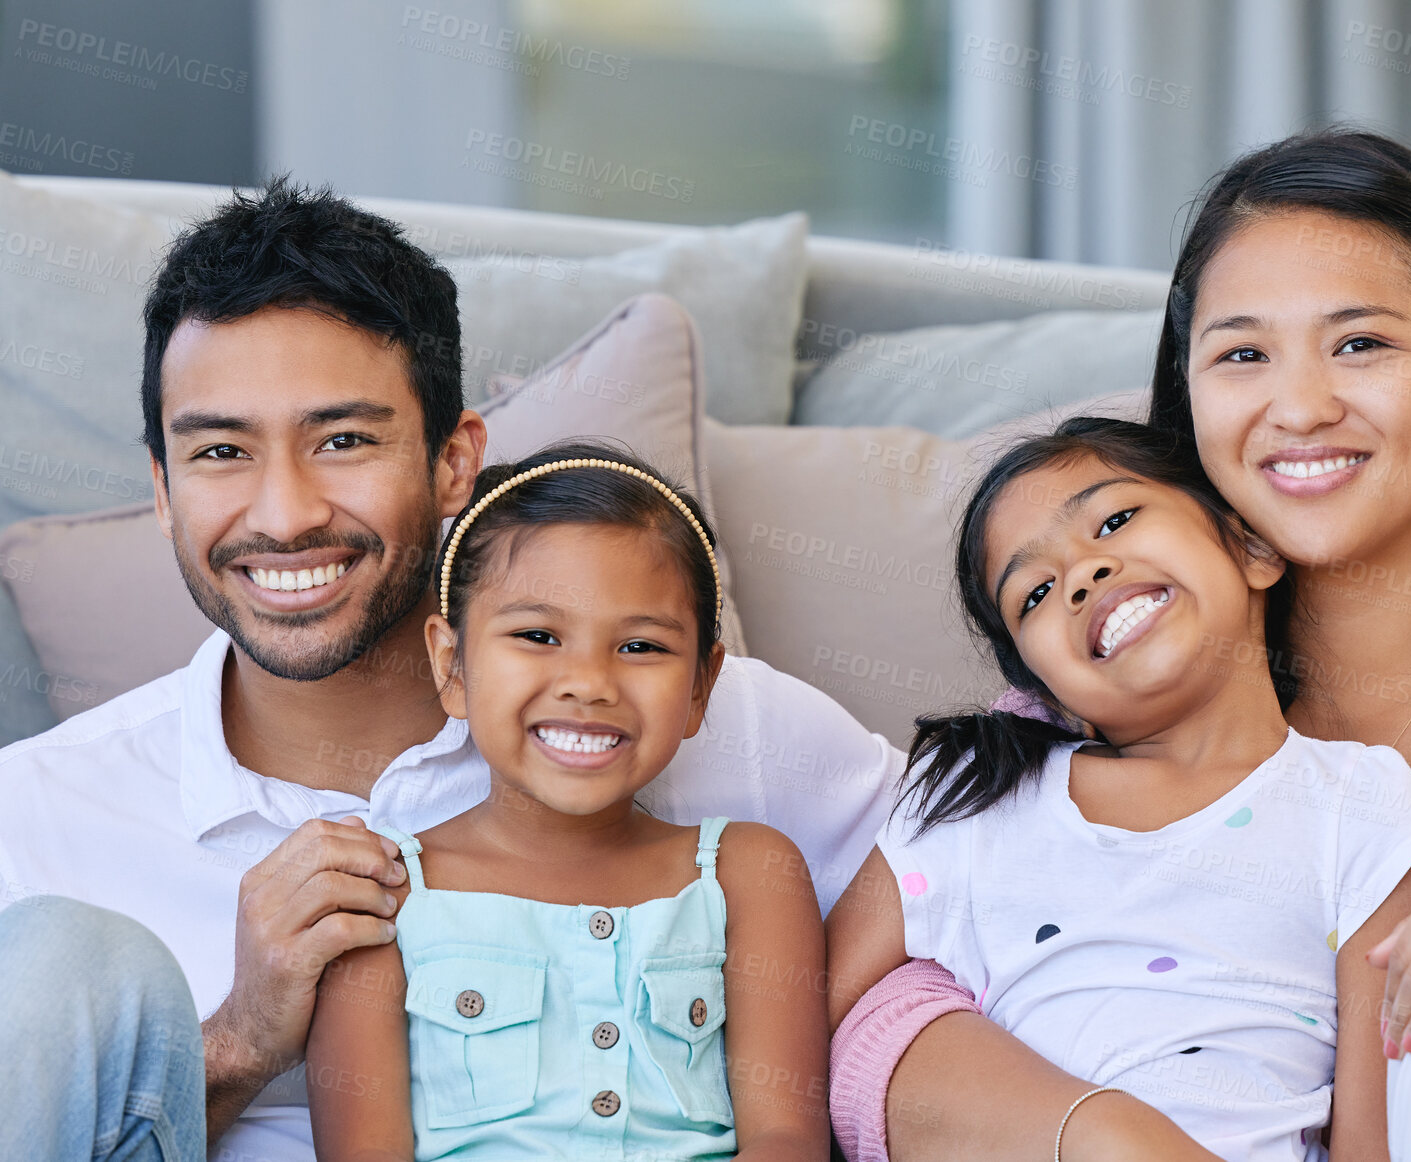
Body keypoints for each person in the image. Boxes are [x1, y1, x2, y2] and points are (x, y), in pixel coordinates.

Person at [831, 130, 1411, 1162]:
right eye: (1242, 354)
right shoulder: (1071, 721)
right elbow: (856, 1032)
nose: (1299, 408)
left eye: (1360, 344)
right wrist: (1100, 1130)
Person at [0, 180, 898, 1162]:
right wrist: (237, 1041)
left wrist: (833, 1035)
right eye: (221, 451)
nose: (285, 513)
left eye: (343, 440)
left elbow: (993, 860)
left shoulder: (677, 710)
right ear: (163, 490)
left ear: (452, 461)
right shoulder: (37, 818)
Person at [826, 418, 1411, 1160]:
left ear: (1250, 546)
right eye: (1034, 593)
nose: (1084, 576)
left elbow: (1380, 1130)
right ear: (1041, 686)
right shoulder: (972, 797)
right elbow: (804, 1013)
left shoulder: (1364, 798)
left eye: (1115, 521)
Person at [306, 442, 829, 1160]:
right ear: (451, 664)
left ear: (702, 687)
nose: (588, 682)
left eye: (641, 647)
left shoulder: (747, 873)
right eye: (538, 635)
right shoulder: (382, 896)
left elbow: (786, 1138)